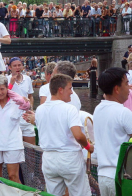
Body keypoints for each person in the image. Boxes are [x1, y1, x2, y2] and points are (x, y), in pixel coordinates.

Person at [25, 74, 93, 196]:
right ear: (60, 90)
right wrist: (88, 147)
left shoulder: (40, 109)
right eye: (70, 88)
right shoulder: (70, 109)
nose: (72, 92)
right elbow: (78, 135)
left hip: (49, 159)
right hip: (69, 158)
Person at [93, 67, 132, 195]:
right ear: (116, 89)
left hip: (103, 175)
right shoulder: (123, 112)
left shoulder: (98, 109)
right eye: (126, 84)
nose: (129, 87)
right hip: (120, 177)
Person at [7, 57, 35, 144]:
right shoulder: (6, 79)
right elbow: (3, 96)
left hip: (25, 117)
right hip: (12, 118)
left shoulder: (27, 79)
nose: (17, 67)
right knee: (15, 145)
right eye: (14, 66)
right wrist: (11, 83)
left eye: (19, 65)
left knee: (31, 146)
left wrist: (31, 107)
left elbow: (30, 96)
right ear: (10, 68)